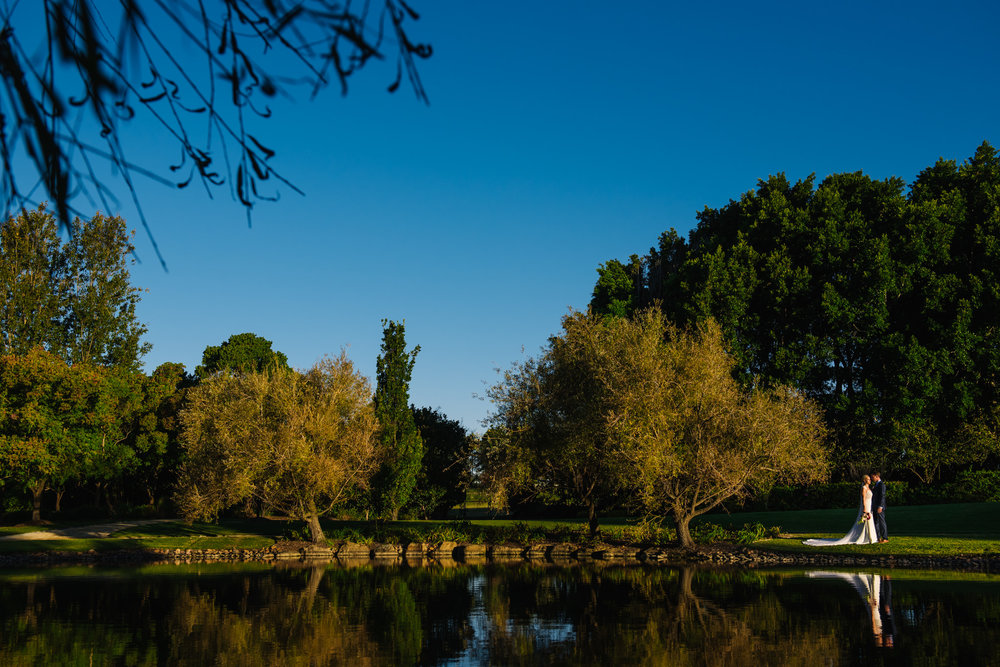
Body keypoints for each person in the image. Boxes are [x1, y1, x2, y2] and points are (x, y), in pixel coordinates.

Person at [802, 475, 878, 546]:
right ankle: (865, 537)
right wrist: (864, 508)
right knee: (864, 521)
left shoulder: (869, 488)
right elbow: (863, 498)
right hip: (866, 506)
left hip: (870, 506)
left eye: (870, 479)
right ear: (865, 480)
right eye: (868, 479)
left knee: (869, 521)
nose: (870, 480)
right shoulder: (864, 488)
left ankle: (870, 537)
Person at [871, 472, 888, 543]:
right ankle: (878, 537)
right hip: (874, 506)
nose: (872, 479)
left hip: (879, 506)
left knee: (882, 522)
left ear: (877, 476)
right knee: (876, 522)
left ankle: (885, 538)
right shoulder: (876, 485)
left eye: (873, 477)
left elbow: (882, 496)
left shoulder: (881, 485)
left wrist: (880, 506)